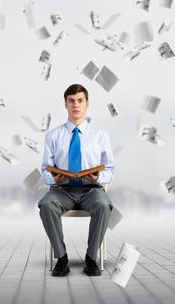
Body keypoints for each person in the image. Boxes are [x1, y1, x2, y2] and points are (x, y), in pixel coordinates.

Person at [38, 84, 115, 277]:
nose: (76, 105)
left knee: (104, 205)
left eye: (80, 101)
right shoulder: (53, 136)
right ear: (65, 104)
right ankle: (62, 259)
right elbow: (45, 169)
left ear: (87, 103)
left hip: (92, 190)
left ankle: (91, 259)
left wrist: (99, 176)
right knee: (46, 204)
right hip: (62, 190)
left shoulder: (100, 135)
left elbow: (110, 169)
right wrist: (53, 177)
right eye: (71, 101)